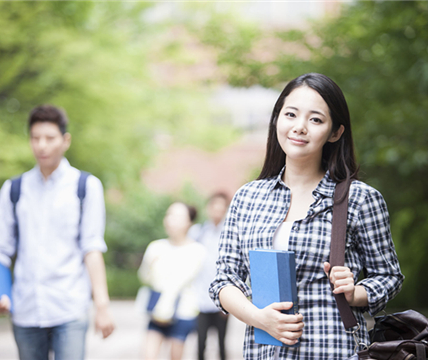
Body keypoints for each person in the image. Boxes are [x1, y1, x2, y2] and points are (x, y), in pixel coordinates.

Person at [209, 73, 405, 360]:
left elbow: (388, 276)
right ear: (277, 119)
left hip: (336, 350)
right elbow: (224, 279)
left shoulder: (359, 199)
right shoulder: (247, 197)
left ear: (335, 132)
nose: (300, 127)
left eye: (315, 120)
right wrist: (258, 318)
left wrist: (355, 293)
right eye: (291, 114)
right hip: (266, 351)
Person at [0, 105, 115, 360]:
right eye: (35, 138)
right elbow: (0, 249)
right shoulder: (13, 189)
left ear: (65, 141)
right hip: (25, 309)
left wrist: (102, 306)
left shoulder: (85, 186)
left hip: (69, 307)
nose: (41, 146)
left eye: (49, 138)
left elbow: (92, 248)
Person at [139, 202, 207, 360]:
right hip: (157, 311)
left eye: (177, 216)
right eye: (168, 215)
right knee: (148, 355)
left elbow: (180, 281)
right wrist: (150, 266)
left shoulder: (197, 251)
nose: (170, 220)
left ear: (189, 222)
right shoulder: (155, 247)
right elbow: (145, 278)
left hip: (183, 311)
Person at [190, 193, 230, 360]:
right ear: (209, 208)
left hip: (224, 298)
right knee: (200, 343)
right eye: (214, 206)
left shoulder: (229, 233)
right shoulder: (197, 233)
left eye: (221, 208)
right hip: (201, 298)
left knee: (222, 343)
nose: (217, 211)